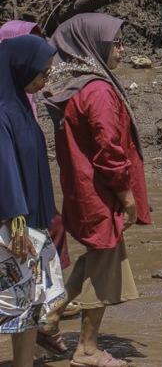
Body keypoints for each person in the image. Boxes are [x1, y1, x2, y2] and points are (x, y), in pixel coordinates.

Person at [40, 14, 150, 367]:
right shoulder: (98, 90)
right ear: (95, 46)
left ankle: (51, 317)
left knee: (99, 257)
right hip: (99, 193)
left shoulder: (75, 85)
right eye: (116, 43)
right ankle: (86, 349)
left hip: (83, 191)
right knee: (103, 266)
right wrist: (126, 196)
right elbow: (109, 152)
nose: (123, 49)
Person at [0, 20, 75, 355]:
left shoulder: (21, 106)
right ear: (20, 68)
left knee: (28, 307)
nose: (46, 80)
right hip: (11, 224)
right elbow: (5, 169)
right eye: (42, 72)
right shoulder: (3, 113)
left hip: (29, 223)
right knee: (9, 306)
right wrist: (16, 220)